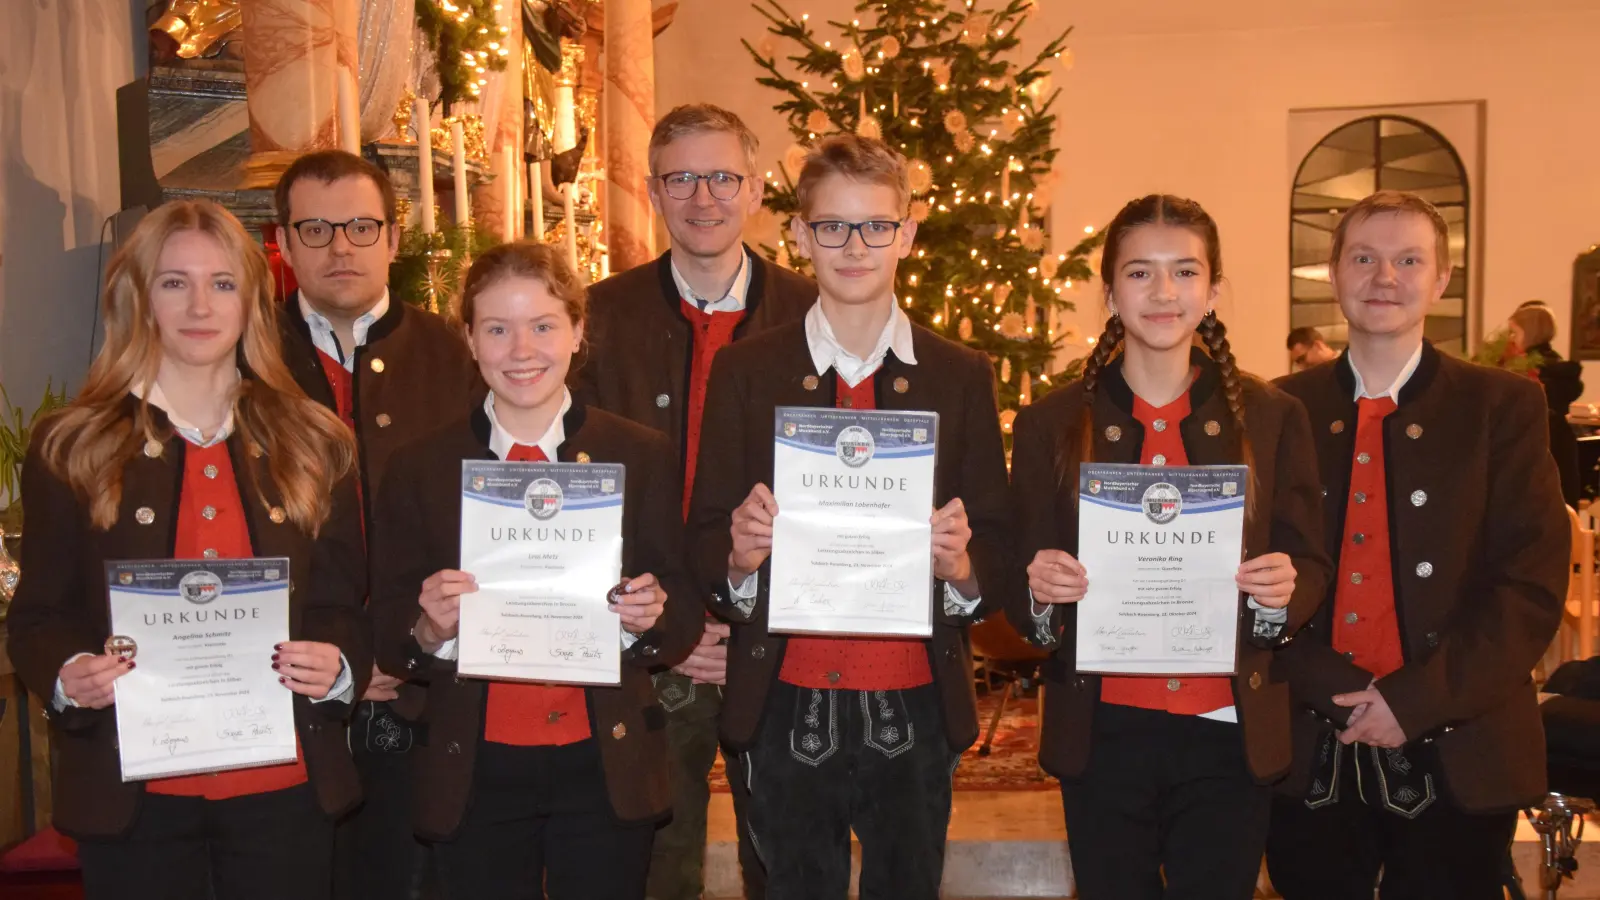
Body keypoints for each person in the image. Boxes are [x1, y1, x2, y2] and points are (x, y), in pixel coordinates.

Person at [5, 199, 370, 899]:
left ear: (253, 303)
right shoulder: (71, 445)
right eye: (174, 282)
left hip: (286, 788)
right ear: (137, 297)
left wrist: (339, 665)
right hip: (134, 796)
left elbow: (339, 607)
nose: (200, 304)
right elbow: (37, 618)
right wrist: (67, 673)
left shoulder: (313, 441)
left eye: (222, 283)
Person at [685, 134, 1010, 900]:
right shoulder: (747, 370)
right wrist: (736, 556)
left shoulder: (959, 374)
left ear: (908, 233)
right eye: (832, 226)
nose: (854, 246)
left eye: (875, 226)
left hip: (917, 700)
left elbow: (994, 544)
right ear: (798, 236)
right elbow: (703, 535)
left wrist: (961, 565)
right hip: (784, 696)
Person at [1005, 194, 1330, 900]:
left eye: (1185, 272)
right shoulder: (1050, 423)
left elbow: (1310, 562)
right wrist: (1039, 586)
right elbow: (1019, 575)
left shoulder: (1273, 417)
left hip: (1229, 730)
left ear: (1213, 290)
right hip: (1103, 728)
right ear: (1110, 291)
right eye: (1140, 273)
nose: (1163, 293)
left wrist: (1284, 589)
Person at [370, 241, 703, 899]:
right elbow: (387, 627)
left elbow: (684, 606)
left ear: (578, 332)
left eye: (543, 325)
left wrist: (651, 615)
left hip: (603, 760)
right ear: (468, 339)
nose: (521, 350)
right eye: (497, 328)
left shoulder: (638, 454)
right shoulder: (421, 466)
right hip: (476, 764)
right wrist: (428, 628)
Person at [1266, 190, 1568, 900]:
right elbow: (1249, 579)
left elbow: (1529, 586)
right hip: (1309, 742)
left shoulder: (1505, 406)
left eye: (1409, 260)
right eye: (1364, 257)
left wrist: (1414, 700)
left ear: (1441, 279)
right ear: (1335, 273)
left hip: (1463, 743)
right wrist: (1337, 694)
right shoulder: (1276, 409)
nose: (1385, 277)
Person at [573, 103, 813, 900]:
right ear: (652, 190)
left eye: (722, 177)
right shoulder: (597, 319)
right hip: (644, 635)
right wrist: (674, 625)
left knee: (787, 857)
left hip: (779, 633)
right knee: (653, 865)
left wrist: (740, 612)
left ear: (753, 190)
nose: (702, 197)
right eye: (681, 178)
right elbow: (578, 483)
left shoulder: (814, 313)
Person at [273, 149, 479, 900]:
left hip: (428, 685)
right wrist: (348, 661)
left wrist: (408, 647)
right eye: (317, 228)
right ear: (284, 242)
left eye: (362, 226)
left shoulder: (458, 354)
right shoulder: (243, 358)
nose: (340, 247)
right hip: (292, 685)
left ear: (394, 238)